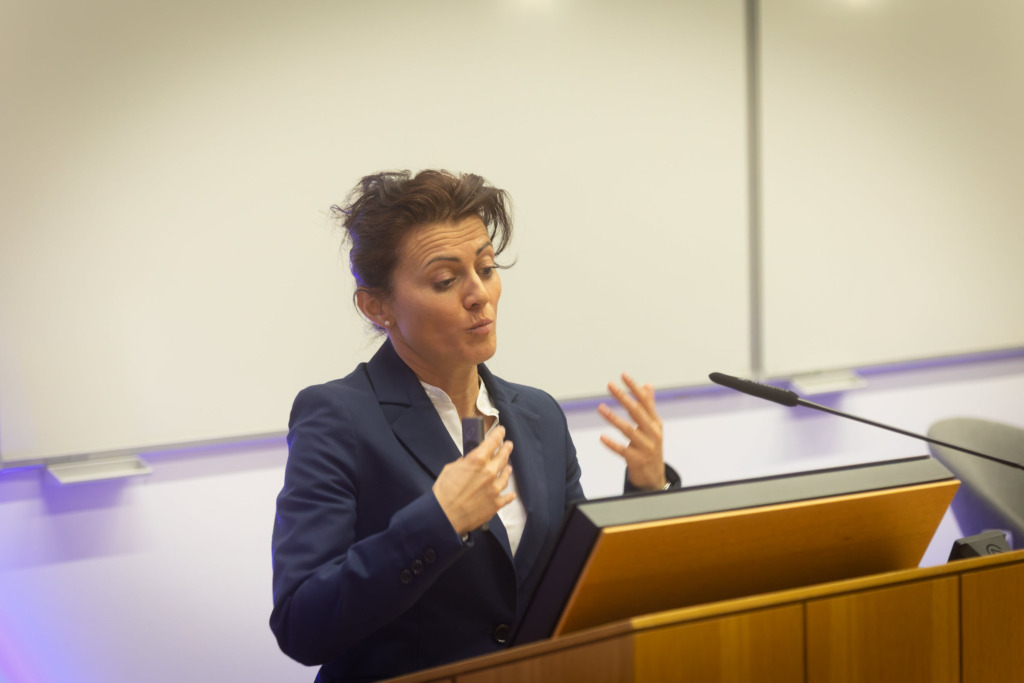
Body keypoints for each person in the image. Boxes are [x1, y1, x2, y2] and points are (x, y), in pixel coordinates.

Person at [270, 169, 679, 682]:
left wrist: (647, 493)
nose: (478, 294)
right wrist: (438, 520)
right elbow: (302, 624)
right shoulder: (337, 416)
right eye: (445, 281)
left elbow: (577, 586)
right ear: (377, 306)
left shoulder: (538, 415)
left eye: (486, 268)